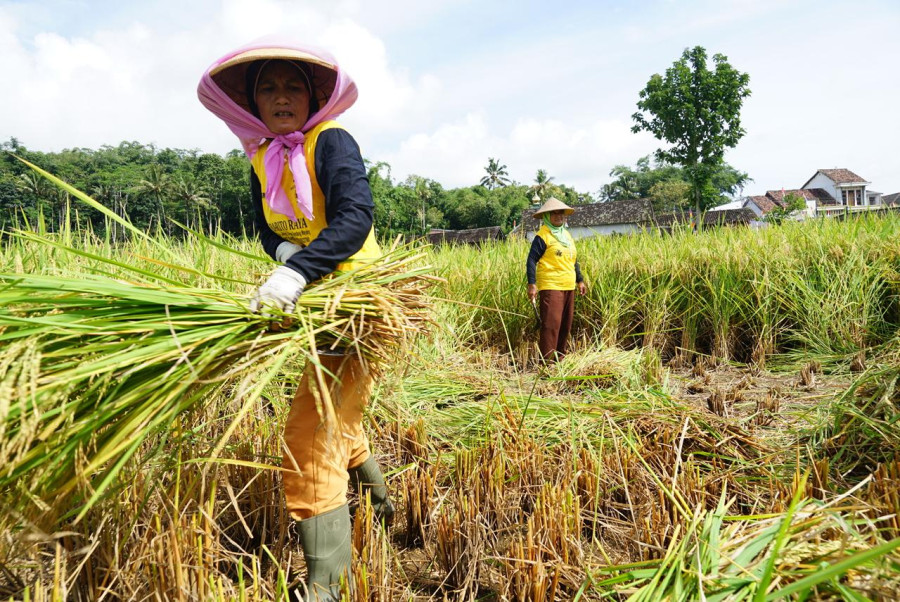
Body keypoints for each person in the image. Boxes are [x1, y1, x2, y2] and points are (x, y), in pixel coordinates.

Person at [198, 39, 393, 601]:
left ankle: (327, 587)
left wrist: (297, 272)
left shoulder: (330, 141)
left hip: (356, 302)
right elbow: (268, 227)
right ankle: (384, 509)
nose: (281, 96)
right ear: (251, 101)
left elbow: (355, 217)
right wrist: (285, 259)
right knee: (334, 413)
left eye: (293, 86)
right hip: (313, 298)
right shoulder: (261, 156)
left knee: (309, 434)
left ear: (312, 96)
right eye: (267, 86)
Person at [526, 197, 587, 363]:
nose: (559, 216)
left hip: (568, 285)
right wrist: (532, 284)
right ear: (547, 216)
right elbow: (531, 260)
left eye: (561, 213)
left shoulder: (566, 236)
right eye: (555, 213)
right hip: (551, 285)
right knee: (551, 325)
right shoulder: (543, 236)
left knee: (565, 325)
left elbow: (573, 260)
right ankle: (547, 363)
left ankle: (560, 359)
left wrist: (580, 280)